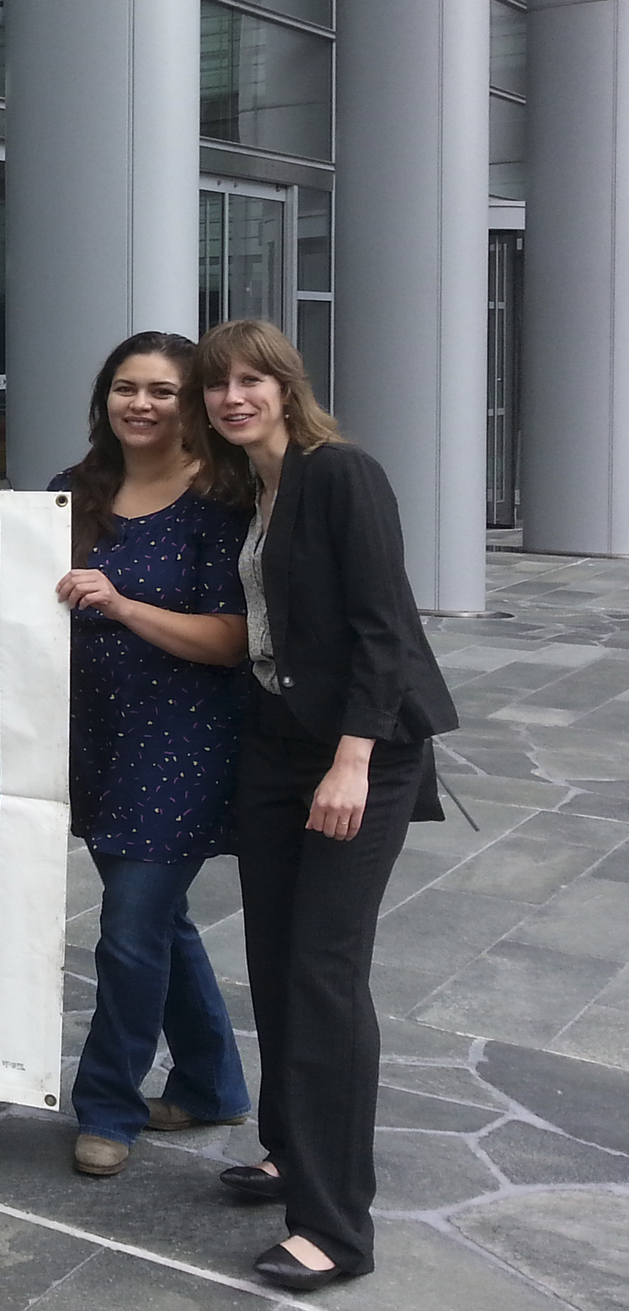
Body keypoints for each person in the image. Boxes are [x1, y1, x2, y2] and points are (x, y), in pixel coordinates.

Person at [186, 318, 456, 1292]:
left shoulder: (340, 473)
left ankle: (333, 1227)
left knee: (323, 975)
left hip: (358, 755)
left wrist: (351, 758)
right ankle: (288, 1149)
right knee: (270, 955)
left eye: (250, 380)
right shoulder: (246, 490)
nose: (233, 397)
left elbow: (384, 626)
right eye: (216, 385)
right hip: (273, 747)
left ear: (283, 385)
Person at [48, 332, 251, 1179]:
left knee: (128, 930)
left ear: (192, 400)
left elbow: (233, 638)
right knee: (159, 920)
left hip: (181, 740)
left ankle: (108, 1106)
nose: (141, 404)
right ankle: (210, 1084)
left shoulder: (221, 501)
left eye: (162, 391)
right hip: (88, 735)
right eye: (125, 388)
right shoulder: (71, 493)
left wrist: (123, 607)